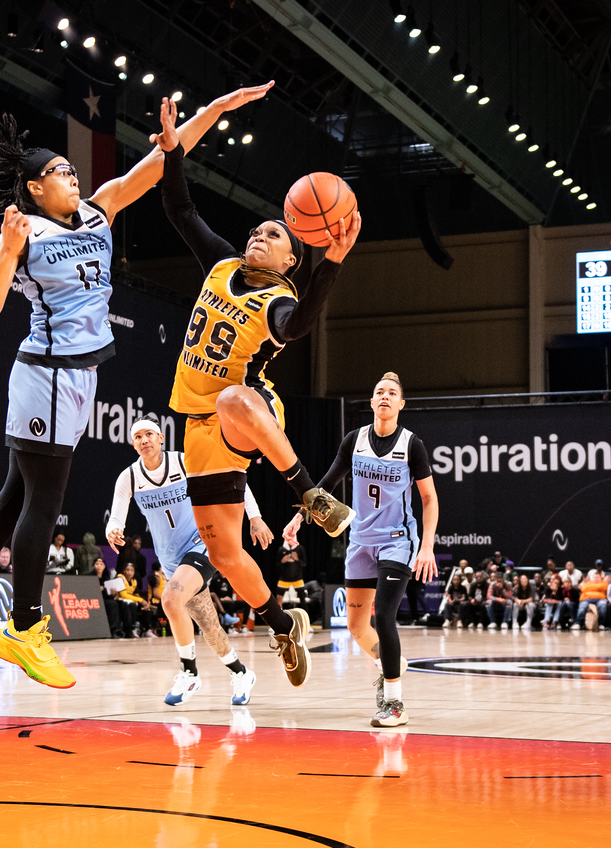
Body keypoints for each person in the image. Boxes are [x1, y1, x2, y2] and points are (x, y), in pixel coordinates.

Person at [0, 84, 267, 688]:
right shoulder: (24, 231)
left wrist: (214, 112)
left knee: (15, 498)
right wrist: (6, 254)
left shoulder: (99, 211)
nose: (72, 177)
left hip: (76, 379)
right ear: (35, 188)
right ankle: (22, 627)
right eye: (59, 172)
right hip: (46, 374)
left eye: (73, 170)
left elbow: (159, 162)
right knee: (42, 504)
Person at [156, 93, 362, 689]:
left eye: (273, 234)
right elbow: (180, 208)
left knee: (230, 397)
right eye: (256, 230)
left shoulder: (279, 300)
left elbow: (298, 328)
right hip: (198, 429)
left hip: (249, 409)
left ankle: (310, 495)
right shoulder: (222, 266)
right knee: (224, 554)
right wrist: (172, 150)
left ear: (291, 259)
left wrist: (333, 261)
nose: (258, 235)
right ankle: (281, 625)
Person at [283, 371, 437, 726]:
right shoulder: (355, 440)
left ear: (401, 404)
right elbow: (325, 485)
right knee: (355, 626)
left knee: (383, 615)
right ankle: (391, 663)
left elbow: (429, 498)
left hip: (397, 540)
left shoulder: (411, 445)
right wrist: (299, 518)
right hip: (360, 541)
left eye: (392, 393)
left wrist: (426, 545)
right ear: (371, 401)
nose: (385, 396)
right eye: (380, 391)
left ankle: (394, 703)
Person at [107, 418, 269, 706]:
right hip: (171, 560)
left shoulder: (184, 462)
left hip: (202, 544)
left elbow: (233, 477)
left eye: (149, 434)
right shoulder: (128, 477)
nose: (144, 440)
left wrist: (254, 517)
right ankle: (241, 672)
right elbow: (116, 516)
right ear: (133, 444)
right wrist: (113, 529)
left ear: (161, 437)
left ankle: (189, 673)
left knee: (170, 600)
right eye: (138, 437)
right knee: (208, 624)